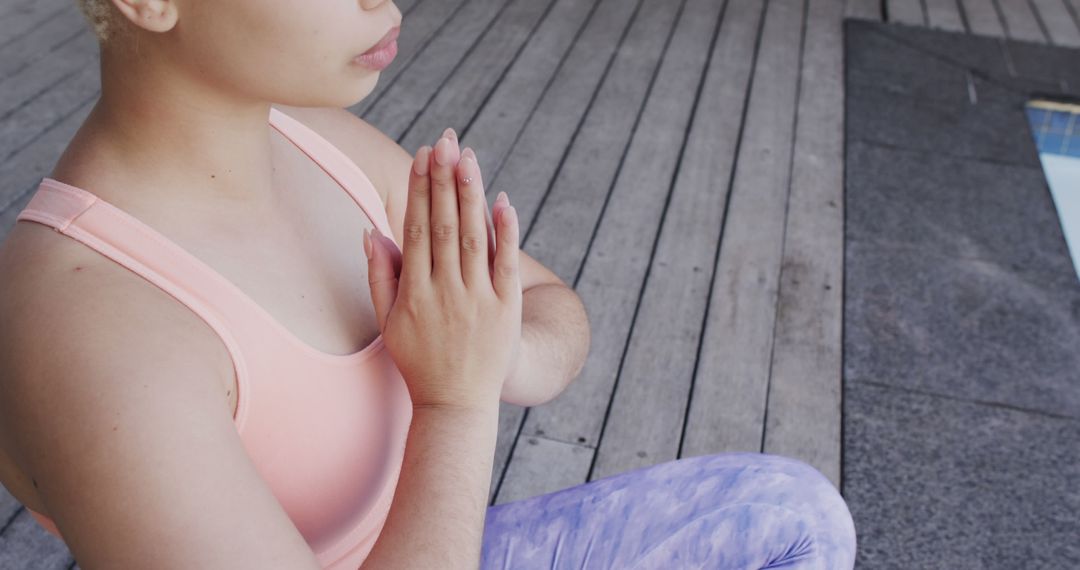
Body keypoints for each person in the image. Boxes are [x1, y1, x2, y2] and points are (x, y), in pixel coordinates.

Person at [0, 0, 856, 568]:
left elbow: (554, 309)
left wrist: (486, 344)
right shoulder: (92, 326)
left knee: (792, 518)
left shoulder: (313, 139)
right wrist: (455, 400)